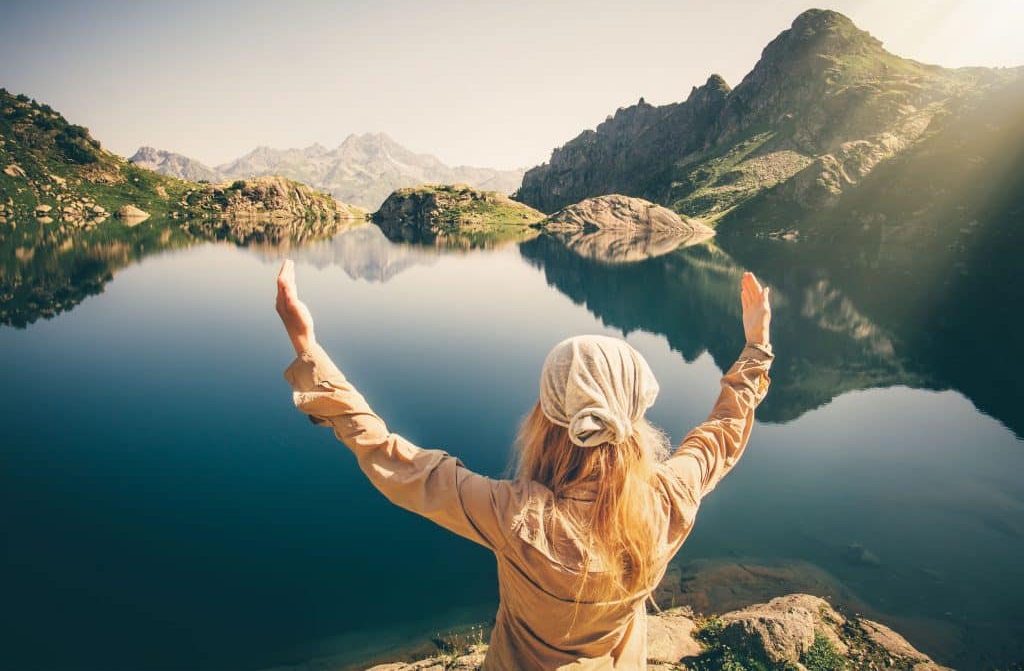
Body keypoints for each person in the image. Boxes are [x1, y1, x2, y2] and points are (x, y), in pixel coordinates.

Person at [275, 260, 774, 670]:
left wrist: (307, 349)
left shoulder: (516, 516)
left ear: (547, 420)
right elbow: (722, 435)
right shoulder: (667, 500)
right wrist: (756, 347)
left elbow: (391, 458)